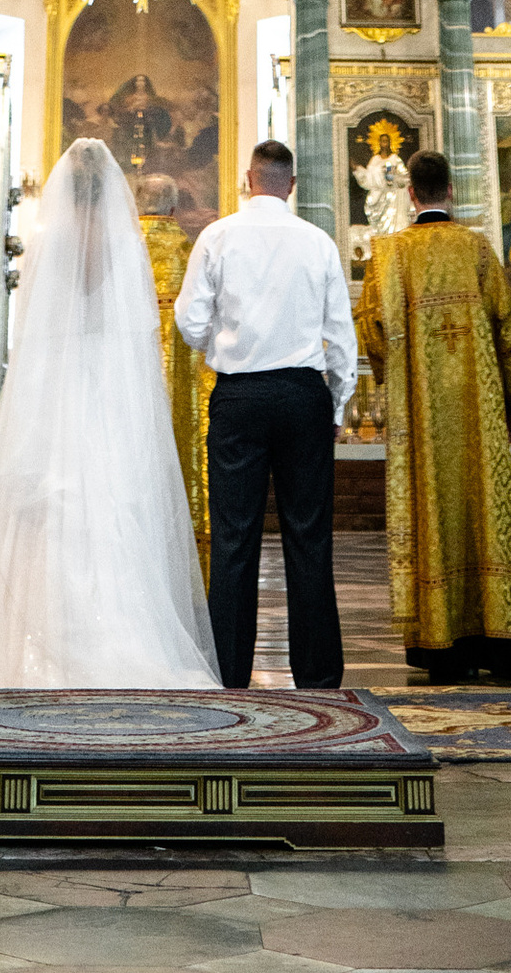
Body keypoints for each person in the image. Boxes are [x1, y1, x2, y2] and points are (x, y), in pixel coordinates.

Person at [0, 140, 216, 686]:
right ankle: (118, 633)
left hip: (57, 382)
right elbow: (138, 329)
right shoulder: (124, 239)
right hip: (108, 389)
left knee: (50, 507)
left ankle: (45, 636)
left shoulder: (52, 240)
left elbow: (36, 327)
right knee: (112, 502)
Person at [175, 137, 354, 692]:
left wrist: (218, 349)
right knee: (309, 538)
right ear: (291, 185)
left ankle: (230, 671)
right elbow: (340, 336)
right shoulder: (318, 241)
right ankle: (319, 676)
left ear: (248, 179)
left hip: (239, 396)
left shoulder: (217, 235)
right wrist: (338, 404)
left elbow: (189, 320)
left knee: (233, 538)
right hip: (303, 395)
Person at [354, 150, 511, 685]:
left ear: (410, 194)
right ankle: (501, 642)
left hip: (423, 420)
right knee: (485, 510)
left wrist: (402, 374)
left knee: (432, 511)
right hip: (479, 413)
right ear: (449, 191)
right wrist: (509, 399)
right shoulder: (478, 249)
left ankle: (442, 644)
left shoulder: (388, 256)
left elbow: (372, 332)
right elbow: (509, 331)